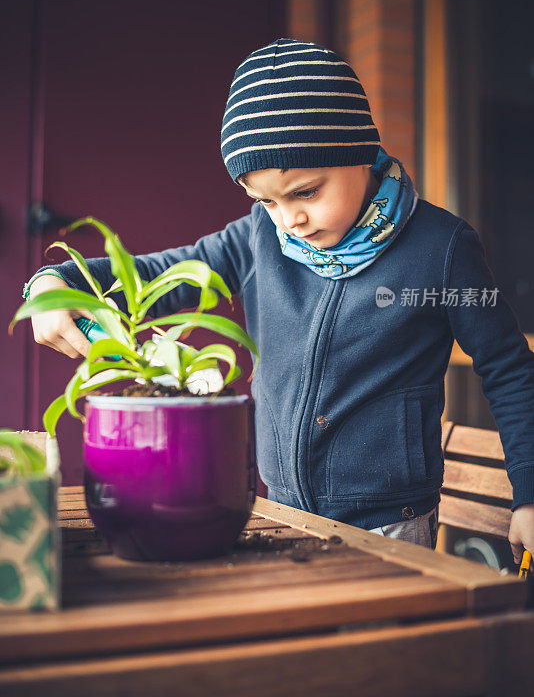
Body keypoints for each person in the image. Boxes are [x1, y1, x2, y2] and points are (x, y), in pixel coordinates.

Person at [24, 38, 534, 562]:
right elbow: (158, 275)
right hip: (279, 509)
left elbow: (509, 369)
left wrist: (530, 496)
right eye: (265, 201)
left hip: (389, 522)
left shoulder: (442, 248)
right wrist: (53, 280)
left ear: (358, 153)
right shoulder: (257, 239)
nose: (289, 219)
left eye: (306, 192)